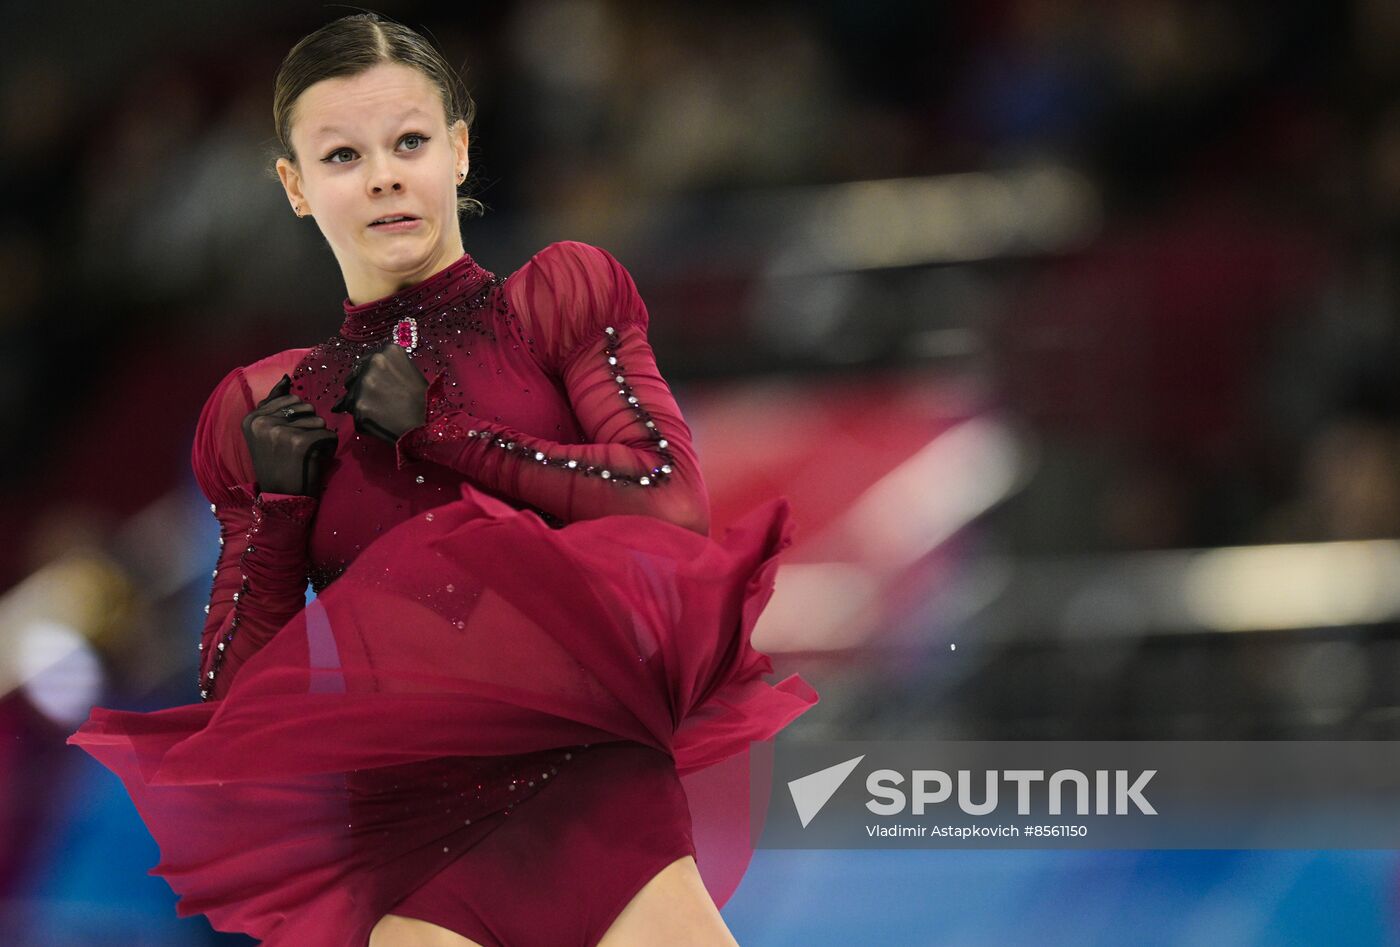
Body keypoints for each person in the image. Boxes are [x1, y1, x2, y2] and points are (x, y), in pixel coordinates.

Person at [65, 12, 818, 947]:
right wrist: (279, 516)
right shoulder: (263, 403)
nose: (383, 174)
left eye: (410, 141)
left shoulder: (556, 300)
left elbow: (670, 501)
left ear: (458, 151)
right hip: (412, 833)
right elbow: (237, 708)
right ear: (295, 187)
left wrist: (449, 435)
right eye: (342, 156)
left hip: (589, 784)